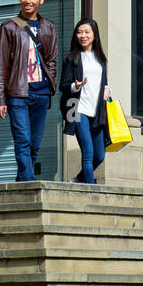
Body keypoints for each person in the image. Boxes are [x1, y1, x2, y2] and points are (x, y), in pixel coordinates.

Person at [0, 0, 58, 182]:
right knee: (23, 140)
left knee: (35, 144)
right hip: (17, 93)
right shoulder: (9, 27)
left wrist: (50, 84)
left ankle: (22, 183)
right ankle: (30, 183)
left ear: (41, 0)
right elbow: (2, 64)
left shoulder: (48, 26)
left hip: (41, 93)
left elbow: (52, 60)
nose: (27, 1)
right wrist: (0, 99)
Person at [59, 18, 112, 184]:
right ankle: (91, 190)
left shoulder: (101, 60)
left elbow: (104, 82)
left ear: (94, 35)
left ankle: (79, 179)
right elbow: (63, 86)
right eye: (79, 32)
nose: (83, 35)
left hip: (96, 112)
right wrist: (75, 86)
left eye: (87, 32)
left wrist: (108, 89)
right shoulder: (71, 58)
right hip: (77, 110)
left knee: (99, 155)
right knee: (88, 153)